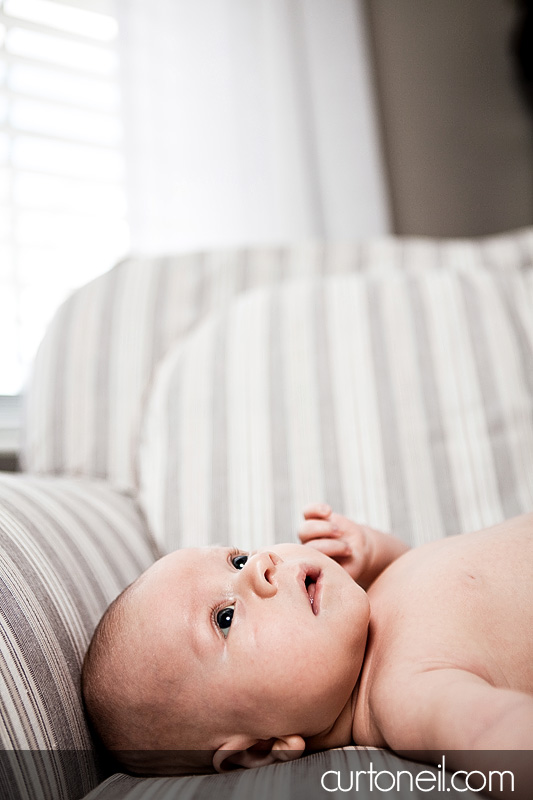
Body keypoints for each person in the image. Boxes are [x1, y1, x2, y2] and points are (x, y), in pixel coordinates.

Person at [82, 504, 533, 797]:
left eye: (237, 559)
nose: (259, 565)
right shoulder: (403, 693)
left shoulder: (369, 606)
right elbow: (497, 734)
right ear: (259, 750)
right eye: (225, 618)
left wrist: (377, 553)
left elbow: (440, 577)